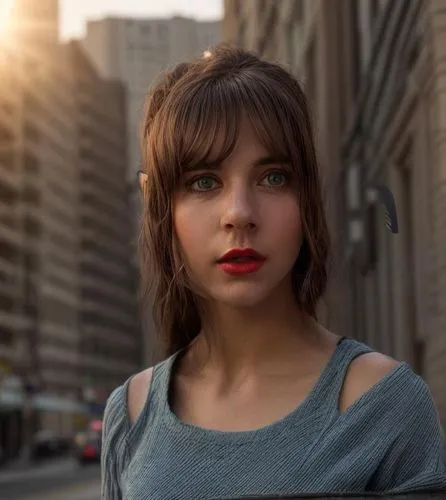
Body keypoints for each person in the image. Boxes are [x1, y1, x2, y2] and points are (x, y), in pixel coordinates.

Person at [101, 46, 446, 499]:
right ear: (160, 205)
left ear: (307, 199)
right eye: (204, 182)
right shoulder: (130, 413)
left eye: (274, 178)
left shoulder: (385, 405)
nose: (239, 214)